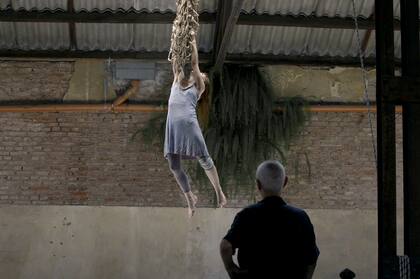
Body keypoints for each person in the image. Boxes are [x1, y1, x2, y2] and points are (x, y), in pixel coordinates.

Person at [220, 160, 319, 279]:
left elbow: (225, 246)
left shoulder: (246, 215)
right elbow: (312, 258)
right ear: (285, 182)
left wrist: (231, 269)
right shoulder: (300, 217)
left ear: (258, 184)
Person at [164, 36, 227, 218]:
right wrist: (176, 39)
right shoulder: (177, 78)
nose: (202, 74)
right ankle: (190, 198)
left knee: (204, 157)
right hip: (173, 125)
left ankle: (219, 192)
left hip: (188, 123)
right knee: (174, 166)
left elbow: (193, 62)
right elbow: (176, 60)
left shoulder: (198, 86)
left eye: (204, 75)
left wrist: (192, 41)